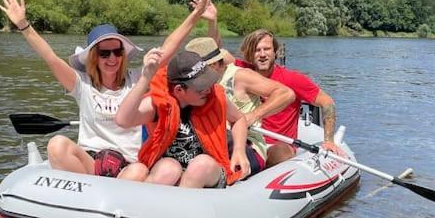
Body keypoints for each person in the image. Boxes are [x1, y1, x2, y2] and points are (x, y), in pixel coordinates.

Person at [0, 0, 211, 180]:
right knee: (56, 145)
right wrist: (24, 25)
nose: (112, 58)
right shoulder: (81, 84)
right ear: (93, 57)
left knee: (137, 171)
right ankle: (88, 199)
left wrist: (196, 14)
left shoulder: (138, 78)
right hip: (90, 162)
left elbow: (167, 48)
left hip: (128, 165)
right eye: (104, 53)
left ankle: (109, 205)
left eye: (117, 52)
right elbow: (51, 58)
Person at [115, 49, 251, 188]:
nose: (208, 90)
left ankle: (176, 206)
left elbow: (238, 119)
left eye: (208, 83)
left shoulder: (215, 96)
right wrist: (145, 78)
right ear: (179, 90)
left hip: (209, 171)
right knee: (163, 169)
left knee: (201, 165)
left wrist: (239, 150)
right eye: (200, 88)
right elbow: (122, 120)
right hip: (169, 171)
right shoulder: (160, 103)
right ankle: (141, 205)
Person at [183, 36, 295, 175]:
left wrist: (253, 116)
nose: (194, 77)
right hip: (208, 142)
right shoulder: (190, 83)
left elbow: (286, 93)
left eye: (198, 71)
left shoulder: (240, 76)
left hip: (247, 145)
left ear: (213, 65)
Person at [236, 29, 342, 166]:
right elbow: (218, 56)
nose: (262, 54)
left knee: (280, 152)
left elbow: (327, 102)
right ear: (250, 54)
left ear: (275, 52)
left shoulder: (292, 79)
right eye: (257, 50)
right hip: (250, 141)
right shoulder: (242, 72)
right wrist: (212, 21)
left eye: (267, 49)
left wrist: (328, 140)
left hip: (279, 145)